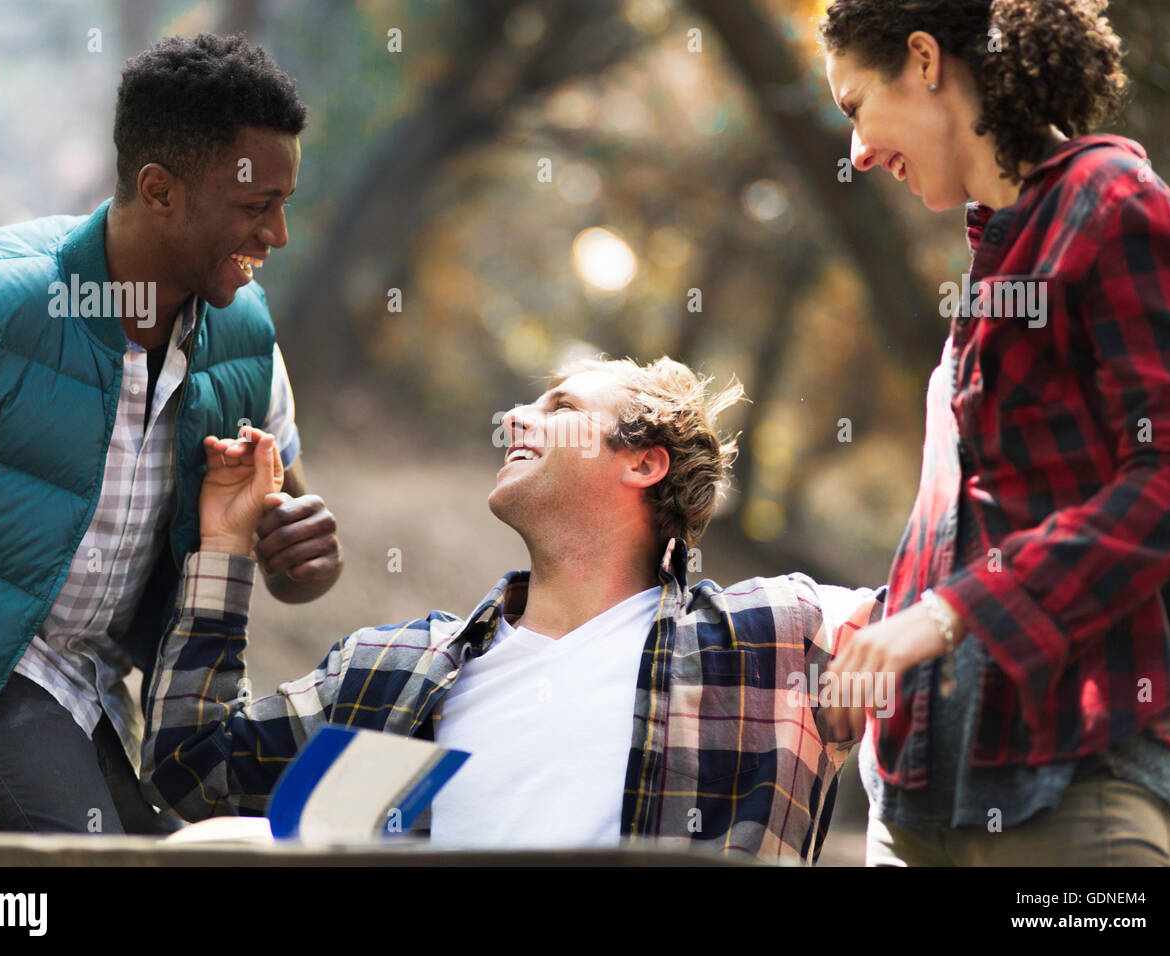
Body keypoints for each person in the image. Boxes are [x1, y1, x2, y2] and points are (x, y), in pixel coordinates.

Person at [140, 357, 880, 863]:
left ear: (643, 461)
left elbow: (958, 627)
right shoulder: (393, 678)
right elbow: (195, 769)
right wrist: (223, 544)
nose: (513, 416)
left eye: (558, 406)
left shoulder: (775, 641)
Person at [0, 34, 342, 835]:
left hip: (105, 689)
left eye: (284, 205)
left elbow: (293, 550)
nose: (276, 235)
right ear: (160, 189)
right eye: (255, 207)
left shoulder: (245, 338)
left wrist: (306, 551)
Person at [819, 0, 1170, 865]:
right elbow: (989, 523)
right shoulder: (998, 258)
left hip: (1075, 791)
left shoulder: (1113, 207)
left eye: (854, 108)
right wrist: (876, 631)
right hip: (916, 804)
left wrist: (948, 616)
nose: (857, 153)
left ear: (923, 59)